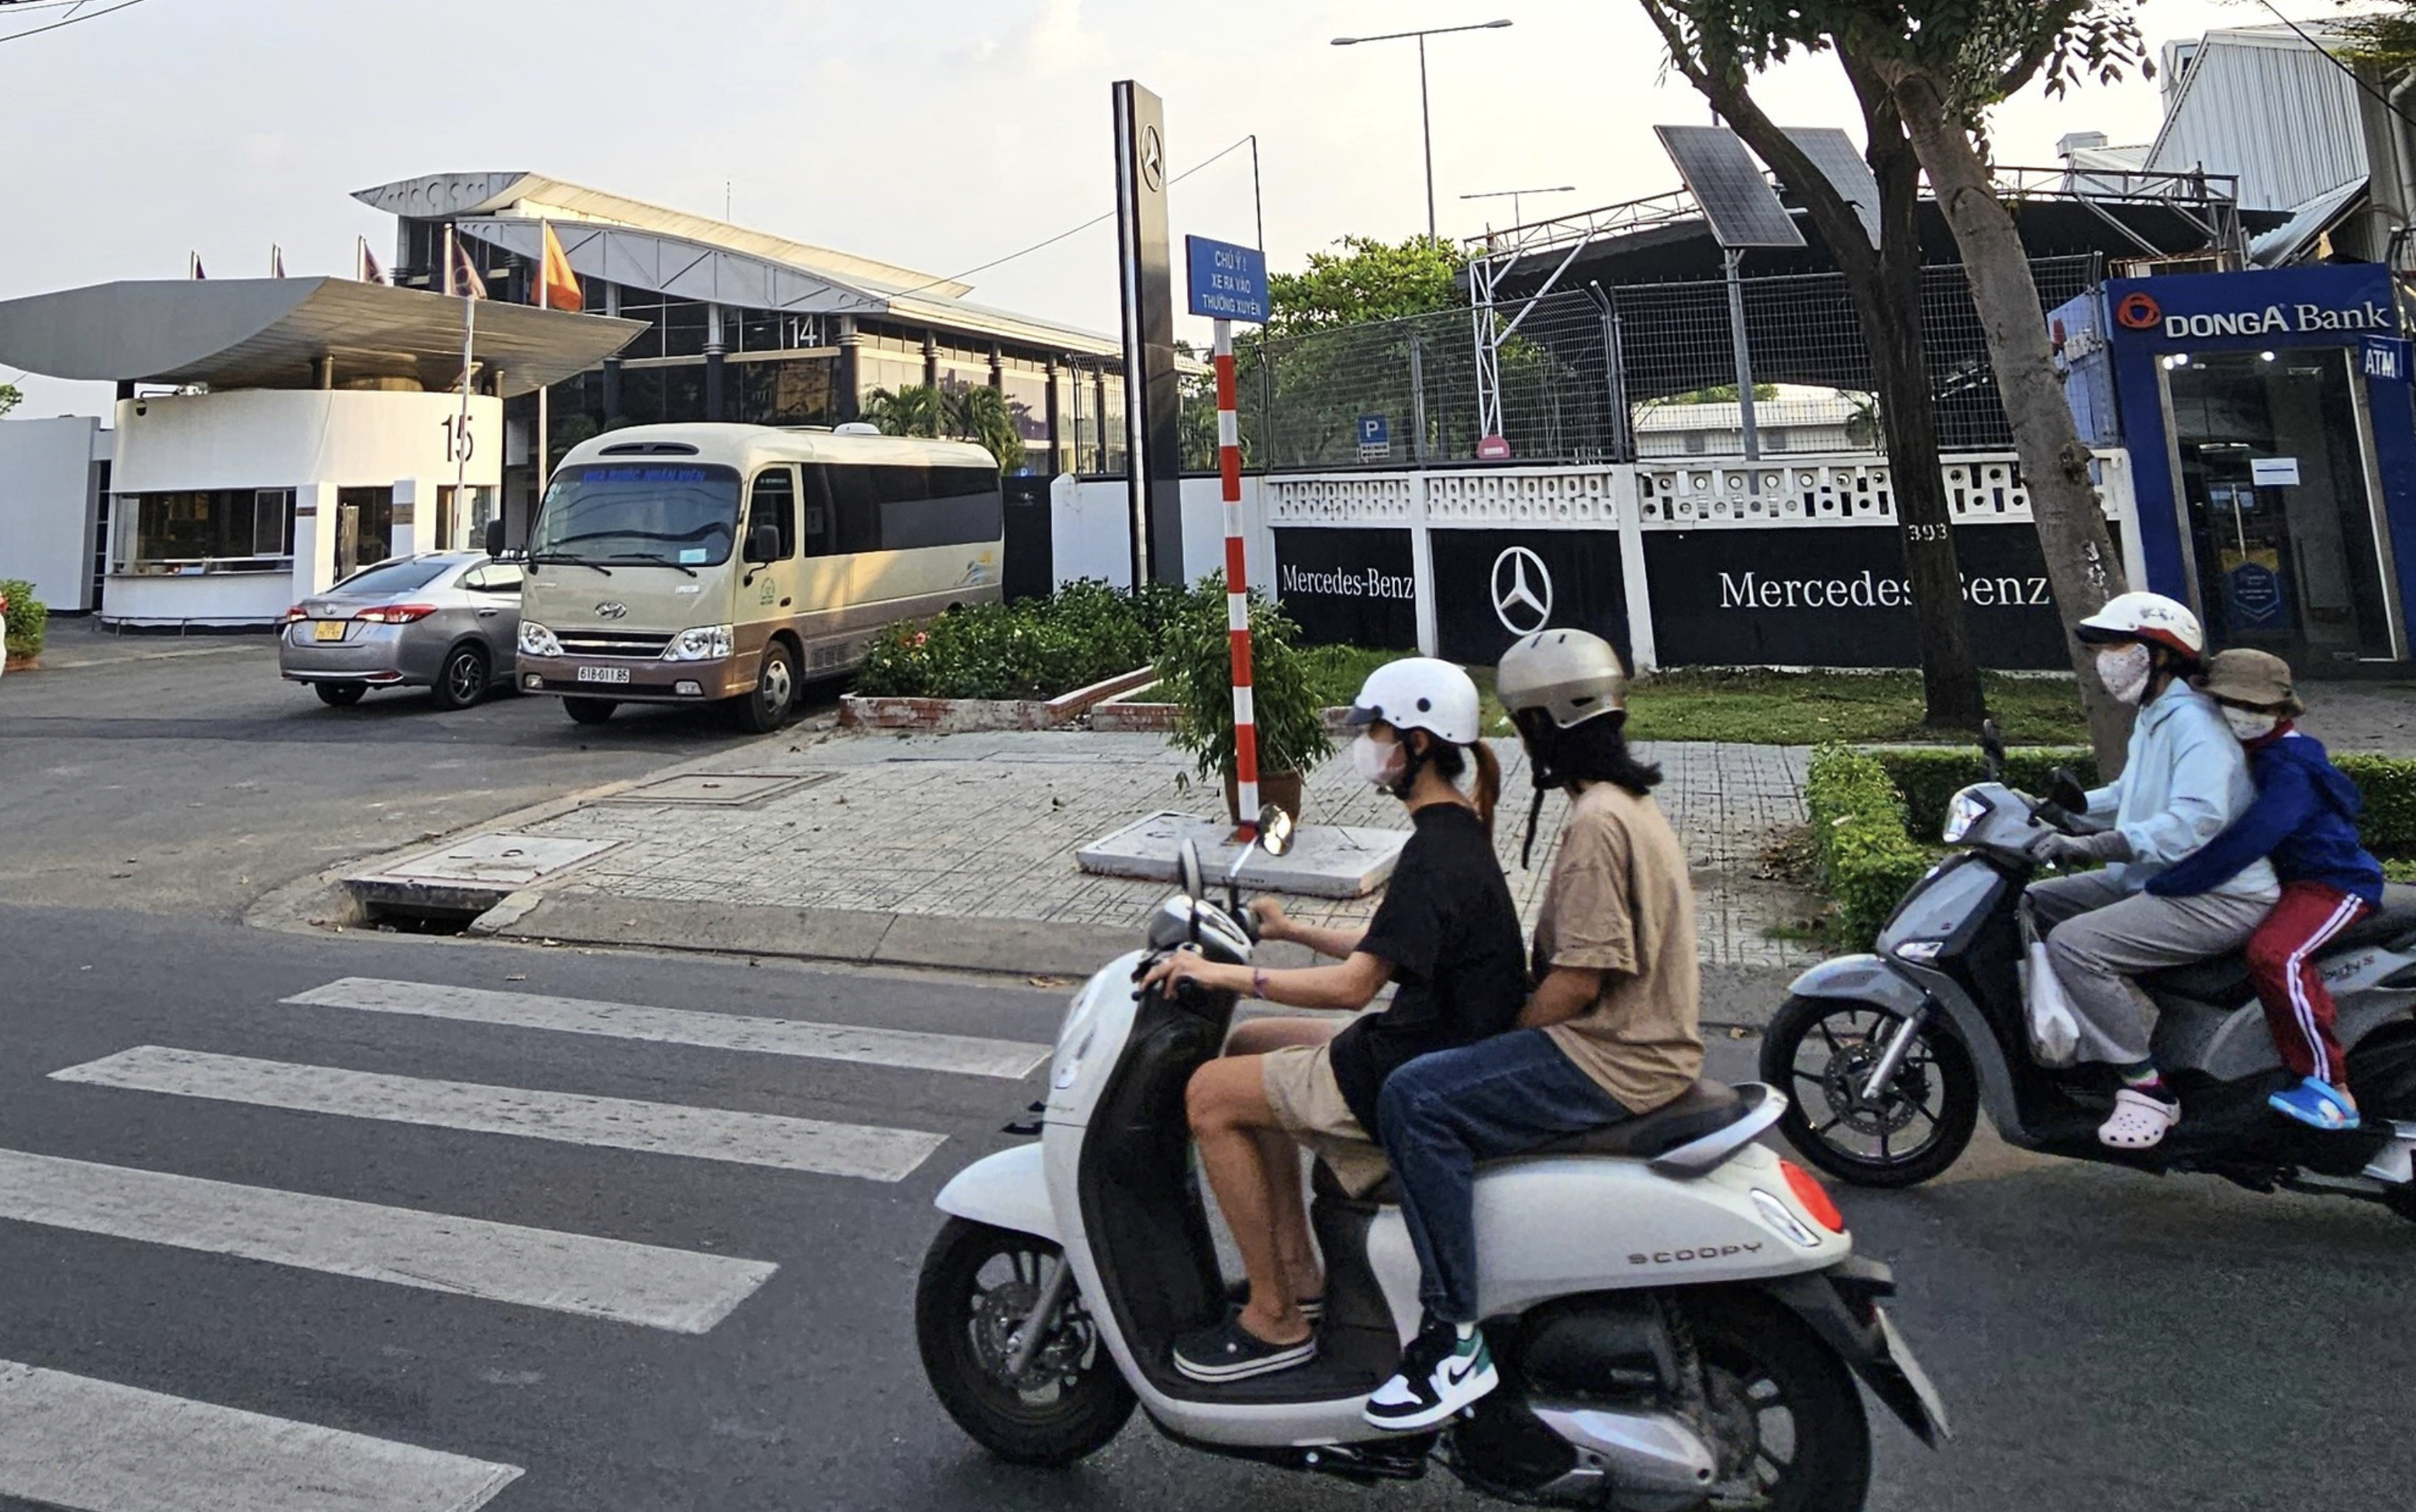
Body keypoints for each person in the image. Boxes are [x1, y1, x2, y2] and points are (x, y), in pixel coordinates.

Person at [1140, 658, 1527, 1384]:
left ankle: (1274, 1317)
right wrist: (1293, 929)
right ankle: (1298, 1275)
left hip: (1413, 1066)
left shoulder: (1436, 852)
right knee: (1251, 1041)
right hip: (1431, 1041)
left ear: (1414, 744)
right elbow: (1385, 946)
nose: (1366, 746)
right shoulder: (1454, 836)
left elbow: (1354, 990)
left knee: (1210, 1096)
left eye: (1376, 730)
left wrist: (1219, 973)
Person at [1363, 629, 1705, 1432]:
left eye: (1522, 727)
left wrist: (1497, 1043)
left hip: (1616, 1055)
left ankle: (1451, 1336)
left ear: (1541, 729)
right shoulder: (1629, 806)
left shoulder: (1594, 824)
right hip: (1648, 1045)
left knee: (1416, 1097)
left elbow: (1577, 980)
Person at [2028, 592, 2279, 1151]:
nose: (2105, 658)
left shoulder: (2195, 724)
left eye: (2118, 645)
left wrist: (2095, 845)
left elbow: (2193, 822)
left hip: (2218, 895)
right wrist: (2055, 813)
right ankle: (2073, 1045)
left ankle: (2148, 1089)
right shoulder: (2157, 713)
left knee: (2075, 945)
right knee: (2031, 905)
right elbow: (2129, 794)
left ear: (2160, 654)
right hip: (2160, 876)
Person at [2145, 648, 2383, 1131]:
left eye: (2258, 708)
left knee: (2276, 956)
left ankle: (2330, 1086)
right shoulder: (2244, 754)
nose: (2245, 716)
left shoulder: (2290, 765)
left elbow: (2255, 835)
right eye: (2233, 704)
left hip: (2333, 885)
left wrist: (2176, 882)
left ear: (2281, 712)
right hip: (2287, 883)